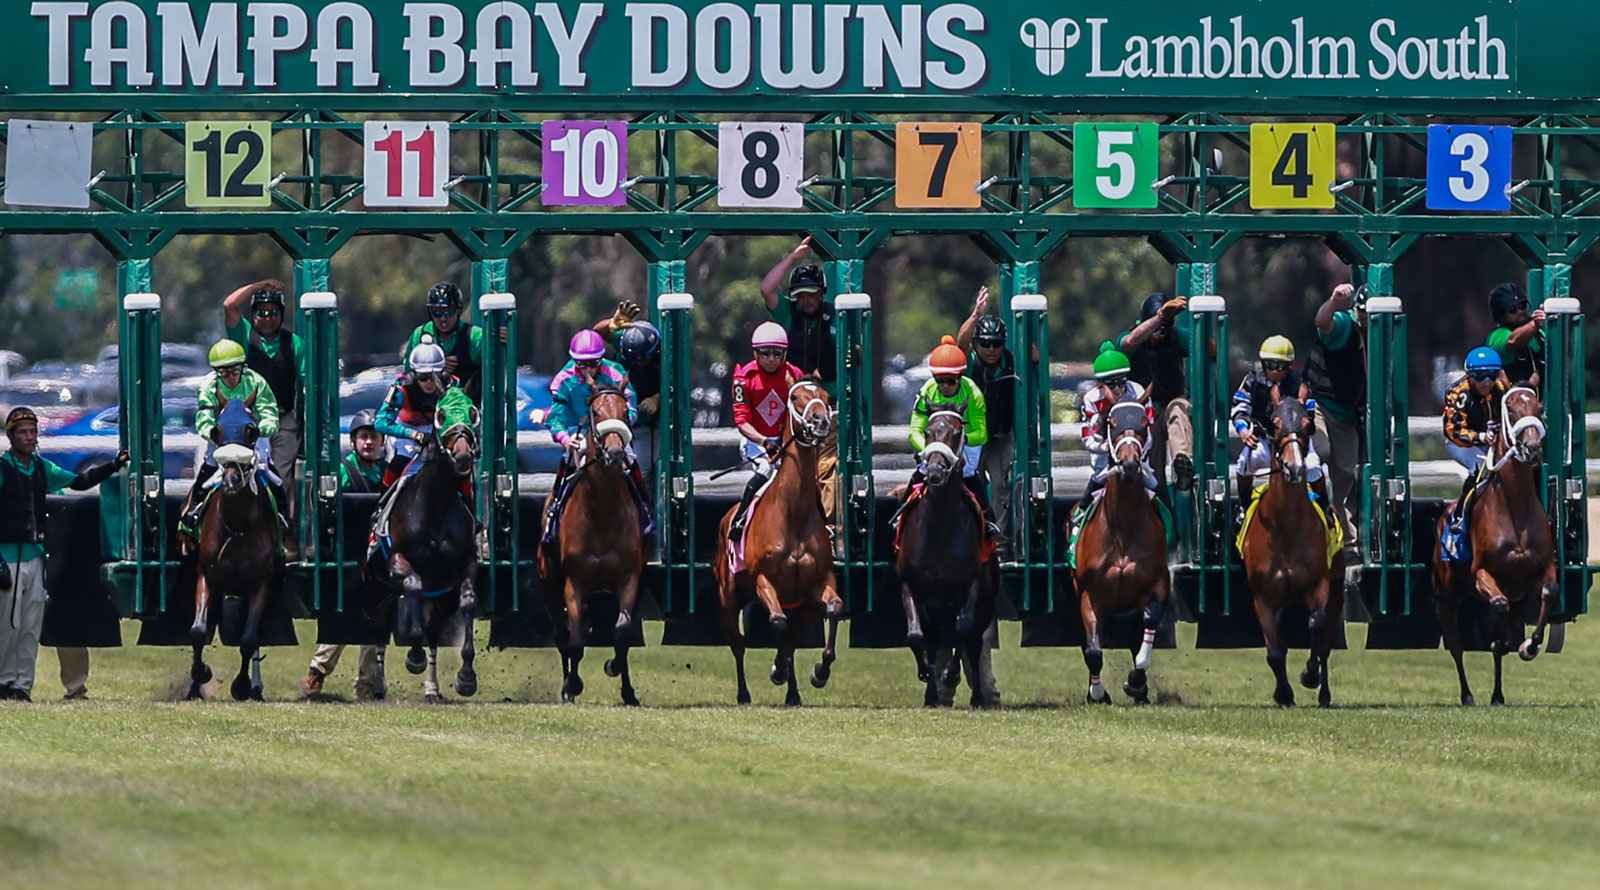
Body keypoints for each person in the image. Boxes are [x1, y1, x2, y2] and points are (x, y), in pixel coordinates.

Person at [0, 408, 127, 701]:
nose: (29, 437)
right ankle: (5, 680)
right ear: (12, 437)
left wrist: (112, 464)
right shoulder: (3, 468)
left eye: (32, 432)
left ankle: (22, 684)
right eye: (23, 432)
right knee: (8, 623)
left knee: (30, 625)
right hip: (8, 556)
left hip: (35, 555)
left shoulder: (42, 468)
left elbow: (80, 481)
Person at [299, 409, 389, 701]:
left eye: (373, 437)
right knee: (345, 611)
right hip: (347, 553)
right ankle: (317, 671)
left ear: (382, 440)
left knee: (378, 616)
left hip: (380, 556)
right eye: (363, 437)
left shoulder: (388, 474)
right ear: (353, 441)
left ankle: (367, 687)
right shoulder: (342, 471)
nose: (368, 443)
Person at [761, 236, 839, 529]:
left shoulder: (837, 319)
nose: (807, 301)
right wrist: (792, 258)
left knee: (827, 471)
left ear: (822, 295)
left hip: (825, 411)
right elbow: (766, 288)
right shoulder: (787, 314)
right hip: (794, 411)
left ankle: (826, 527)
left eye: (813, 295)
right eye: (802, 295)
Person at [179, 339, 286, 538]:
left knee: (266, 466)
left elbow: (270, 414)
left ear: (242, 367)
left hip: (251, 436)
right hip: (222, 438)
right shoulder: (208, 386)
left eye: (234, 371)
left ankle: (281, 514)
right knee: (210, 463)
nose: (229, 377)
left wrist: (260, 429)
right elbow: (204, 416)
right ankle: (195, 506)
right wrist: (211, 431)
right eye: (223, 373)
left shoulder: (256, 382)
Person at [545, 330, 647, 529]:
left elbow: (631, 409)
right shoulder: (563, 379)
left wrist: (618, 426)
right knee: (568, 460)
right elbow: (554, 417)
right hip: (579, 431)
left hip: (613, 430)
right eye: (582, 364)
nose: (589, 370)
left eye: (594, 363)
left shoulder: (615, 373)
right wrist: (565, 439)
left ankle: (644, 503)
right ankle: (555, 504)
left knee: (630, 457)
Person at [223, 280, 304, 517]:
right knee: (235, 471)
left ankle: (278, 525)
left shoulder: (294, 343)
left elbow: (308, 383)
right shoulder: (244, 335)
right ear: (253, 315)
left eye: (273, 313)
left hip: (282, 421)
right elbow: (229, 305)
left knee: (279, 478)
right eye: (261, 313)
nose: (267, 318)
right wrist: (258, 286)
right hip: (245, 421)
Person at [1230, 335, 1331, 522]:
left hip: (1293, 438)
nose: (1275, 371)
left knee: (1313, 466)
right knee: (1246, 461)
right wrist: (1243, 429)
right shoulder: (1252, 381)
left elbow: (1308, 411)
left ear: (1289, 366)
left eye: (1281, 366)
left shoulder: (1298, 382)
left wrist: (1301, 432)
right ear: (1262, 363)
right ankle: (1243, 505)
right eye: (1270, 365)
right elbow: (1240, 408)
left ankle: (1325, 506)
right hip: (1262, 437)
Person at [906, 336, 997, 538]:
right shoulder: (926, 391)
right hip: (934, 441)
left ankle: (987, 518)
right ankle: (901, 515)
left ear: (960, 376)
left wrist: (959, 443)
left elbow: (981, 434)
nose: (945, 386)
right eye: (940, 381)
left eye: (951, 381)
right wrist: (931, 449)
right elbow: (914, 430)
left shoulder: (973, 393)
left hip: (964, 440)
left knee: (969, 473)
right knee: (922, 471)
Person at [956, 286, 1024, 558]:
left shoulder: (1010, 361)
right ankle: (969, 543)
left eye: (997, 343)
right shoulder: (970, 361)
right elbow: (960, 343)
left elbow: (1035, 357)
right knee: (967, 487)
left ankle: (1001, 548)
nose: (991, 349)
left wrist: (1027, 318)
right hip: (972, 439)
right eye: (985, 342)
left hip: (999, 437)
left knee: (1001, 491)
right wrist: (975, 315)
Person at [727, 322, 803, 541]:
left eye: (777, 353)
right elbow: (742, 422)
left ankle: (824, 523)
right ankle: (740, 517)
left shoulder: (794, 375)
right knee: (765, 470)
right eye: (765, 353)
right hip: (755, 442)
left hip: (785, 442)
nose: (771, 358)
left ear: (784, 354)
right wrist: (765, 441)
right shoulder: (744, 377)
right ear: (755, 353)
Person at [1306, 283, 1366, 551]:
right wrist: (1333, 300)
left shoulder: (1381, 334)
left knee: (1346, 474)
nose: (1365, 318)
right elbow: (1322, 321)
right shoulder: (1344, 325)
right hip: (1320, 404)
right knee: (1319, 452)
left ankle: (1347, 542)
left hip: (1348, 415)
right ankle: (1310, 523)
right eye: (1362, 312)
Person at [1114, 293, 1192, 492]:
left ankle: (1183, 462)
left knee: (1179, 408)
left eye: (1164, 330)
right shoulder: (1129, 336)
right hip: (1144, 412)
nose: (1159, 335)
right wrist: (1160, 318)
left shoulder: (1177, 336)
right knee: (1154, 475)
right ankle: (1160, 503)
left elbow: (1208, 348)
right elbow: (1129, 343)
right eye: (1156, 329)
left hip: (1170, 403)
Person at [373, 338, 463, 494]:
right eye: (423, 377)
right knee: (399, 461)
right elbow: (380, 423)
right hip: (407, 430)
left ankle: (470, 506)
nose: (429, 382)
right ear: (414, 373)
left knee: (460, 463)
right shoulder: (401, 388)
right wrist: (414, 434)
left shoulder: (453, 386)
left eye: (434, 376)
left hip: (439, 430)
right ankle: (382, 503)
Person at [1075, 347, 1156, 517]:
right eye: (1111, 384)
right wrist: (1108, 448)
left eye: (1122, 382)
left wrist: (1136, 451)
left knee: (1154, 485)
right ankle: (1079, 521)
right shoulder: (1092, 400)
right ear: (1102, 383)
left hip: (1136, 457)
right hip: (1105, 461)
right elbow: (1088, 438)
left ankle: (1173, 532)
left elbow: (1149, 433)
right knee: (1096, 482)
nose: (1118, 389)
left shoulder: (1138, 392)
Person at [594, 300, 662, 495]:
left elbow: (677, 386)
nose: (637, 363)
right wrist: (611, 325)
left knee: (641, 472)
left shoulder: (662, 356)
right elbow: (596, 335)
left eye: (642, 359)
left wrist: (657, 399)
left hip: (644, 426)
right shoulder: (626, 340)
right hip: (616, 421)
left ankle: (645, 515)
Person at [1441, 347, 1509, 537]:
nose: (1487, 382)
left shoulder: (1502, 389)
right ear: (1470, 375)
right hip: (1462, 444)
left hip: (1491, 441)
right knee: (1480, 468)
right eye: (1480, 376)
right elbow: (1452, 430)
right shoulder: (1459, 393)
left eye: (1492, 375)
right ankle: (1461, 515)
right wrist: (1479, 437)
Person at [404, 282, 485, 402]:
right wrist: (436, 368)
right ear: (430, 312)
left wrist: (498, 338)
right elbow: (408, 376)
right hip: (428, 411)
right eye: (437, 313)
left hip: (466, 411)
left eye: (449, 312)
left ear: (459, 311)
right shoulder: (420, 334)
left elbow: (495, 370)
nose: (443, 319)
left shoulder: (475, 336)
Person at [1484, 282, 1546, 389]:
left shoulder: (1539, 334)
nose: (1520, 312)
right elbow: (1513, 341)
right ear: (1500, 315)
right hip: (1508, 403)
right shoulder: (1496, 336)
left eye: (1523, 306)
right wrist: (1535, 324)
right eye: (1512, 310)